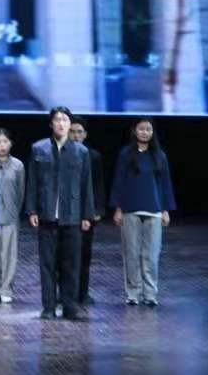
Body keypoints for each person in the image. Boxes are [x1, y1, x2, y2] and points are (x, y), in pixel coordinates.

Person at [25, 106, 95, 320]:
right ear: (51, 124)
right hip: (47, 215)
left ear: (70, 124)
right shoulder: (39, 149)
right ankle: (48, 307)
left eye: (65, 119)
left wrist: (87, 215)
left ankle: (70, 306)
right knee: (47, 264)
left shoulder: (81, 152)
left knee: (71, 264)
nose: (61, 123)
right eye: (57, 119)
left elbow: (86, 185)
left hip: (72, 216)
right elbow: (32, 181)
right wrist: (32, 209)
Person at [111, 118, 177, 307]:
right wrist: (118, 208)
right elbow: (119, 181)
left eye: (148, 129)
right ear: (134, 131)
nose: (145, 132)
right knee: (131, 253)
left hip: (154, 209)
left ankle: (150, 294)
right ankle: (133, 293)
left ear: (152, 132)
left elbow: (165, 184)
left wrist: (165, 210)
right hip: (130, 208)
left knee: (151, 255)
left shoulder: (159, 155)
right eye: (141, 129)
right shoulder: (126, 154)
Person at [70, 116, 106, 306]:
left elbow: (98, 184)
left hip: (86, 212)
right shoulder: (61, 152)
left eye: (79, 132)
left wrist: (97, 209)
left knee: (84, 254)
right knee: (65, 255)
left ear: (85, 134)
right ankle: (65, 292)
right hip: (66, 211)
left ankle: (83, 293)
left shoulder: (93, 156)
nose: (76, 135)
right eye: (72, 131)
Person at [0, 128, 25, 305]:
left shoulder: (18, 165)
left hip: (11, 216)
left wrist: (15, 211)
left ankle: (6, 289)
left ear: (10, 144)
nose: (2, 146)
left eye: (5, 142)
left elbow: (21, 192)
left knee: (9, 255)